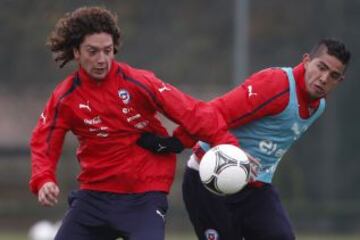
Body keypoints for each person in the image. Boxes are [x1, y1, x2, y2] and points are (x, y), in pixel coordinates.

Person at [29, 6, 239, 240]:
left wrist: (228, 146)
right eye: (93, 51)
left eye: (108, 51)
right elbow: (44, 140)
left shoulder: (138, 83)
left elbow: (191, 112)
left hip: (144, 196)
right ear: (76, 52)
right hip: (94, 198)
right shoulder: (65, 97)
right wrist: (44, 179)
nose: (102, 60)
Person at [137, 39, 351, 239]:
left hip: (255, 190)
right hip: (209, 181)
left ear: (339, 81)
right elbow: (218, 111)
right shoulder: (276, 84)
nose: (324, 78)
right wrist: (178, 141)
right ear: (306, 61)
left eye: (333, 75)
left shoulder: (319, 107)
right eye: (321, 67)